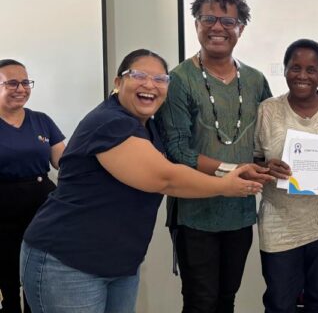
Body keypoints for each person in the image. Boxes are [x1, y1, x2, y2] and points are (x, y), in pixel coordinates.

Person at [19, 49, 266, 313]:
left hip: (120, 263)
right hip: (68, 262)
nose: (150, 85)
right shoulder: (110, 122)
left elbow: (176, 161)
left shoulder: (148, 125)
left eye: (160, 79)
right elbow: (165, 178)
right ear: (118, 83)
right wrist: (226, 185)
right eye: (138, 75)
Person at [156, 0, 272, 313]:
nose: (217, 27)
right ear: (196, 24)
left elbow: (270, 135)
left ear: (241, 29)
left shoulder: (255, 80)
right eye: (208, 18)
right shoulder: (179, 79)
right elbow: (178, 149)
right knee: (199, 301)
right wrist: (231, 172)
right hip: (194, 213)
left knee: (226, 299)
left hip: (239, 212)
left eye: (227, 21)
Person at [254, 39, 318, 313]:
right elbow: (253, 160)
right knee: (279, 304)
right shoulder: (268, 110)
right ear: (284, 70)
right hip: (279, 224)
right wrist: (265, 168)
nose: (302, 75)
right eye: (295, 67)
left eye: (311, 69)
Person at [0, 59, 65, 313]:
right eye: (12, 83)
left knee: (37, 275)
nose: (21, 88)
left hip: (42, 209)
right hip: (3, 212)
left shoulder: (41, 120)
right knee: (7, 276)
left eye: (26, 82)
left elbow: (64, 161)